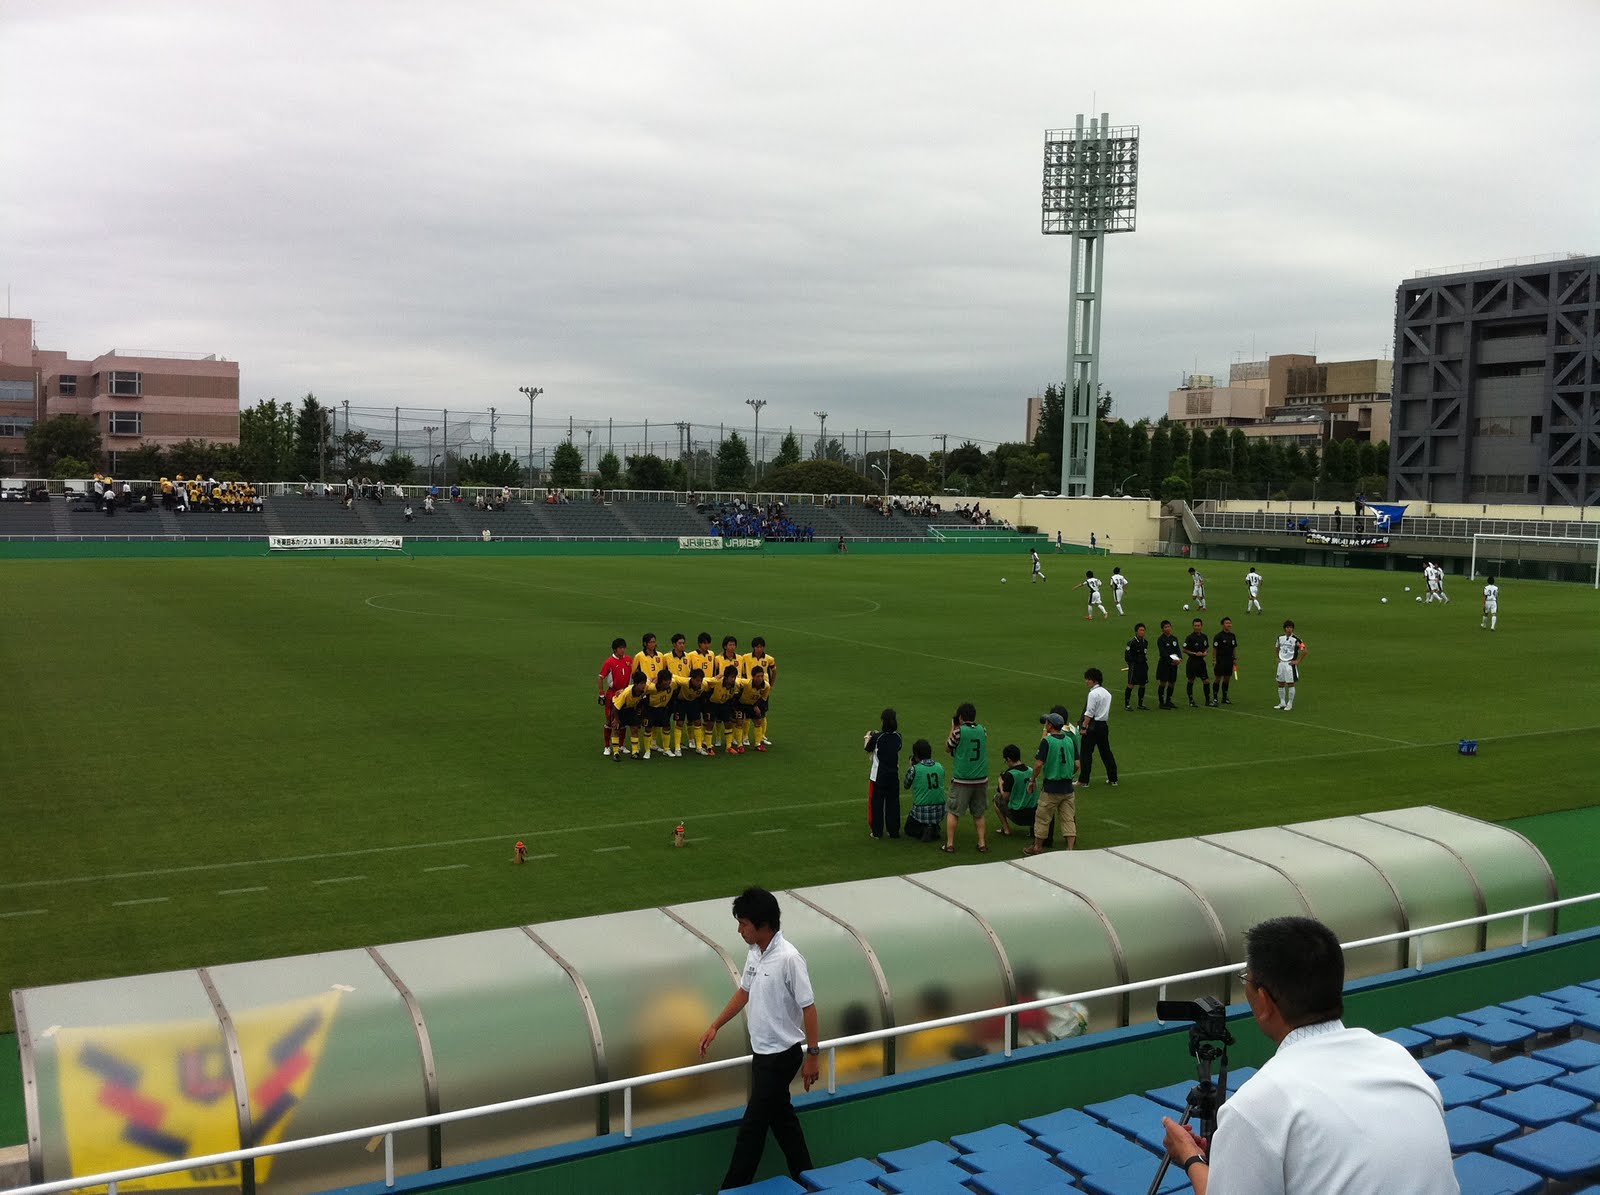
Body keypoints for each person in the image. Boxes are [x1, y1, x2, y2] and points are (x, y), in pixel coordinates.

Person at [1160, 916, 1454, 1195]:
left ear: (1263, 1001)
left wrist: (1190, 1156)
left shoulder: (1254, 1107)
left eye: (1246, 979)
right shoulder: (1400, 1059)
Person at [700, 887, 819, 1190]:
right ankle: (809, 1178)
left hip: (782, 1056)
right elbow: (744, 992)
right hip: (762, 1054)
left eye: (744, 924)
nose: (740, 930)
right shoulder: (755, 953)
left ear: (763, 925)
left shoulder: (790, 959)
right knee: (783, 1122)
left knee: (752, 1129)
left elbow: (809, 1007)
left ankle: (731, 1189)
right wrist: (715, 1026)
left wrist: (813, 1056)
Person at [1025, 713, 1078, 854]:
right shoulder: (1070, 740)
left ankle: (1037, 847)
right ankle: (1070, 849)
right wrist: (1068, 773)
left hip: (1051, 788)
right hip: (1068, 788)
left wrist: (1032, 780)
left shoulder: (1047, 741)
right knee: (1068, 818)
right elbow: (1077, 764)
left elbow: (1038, 764)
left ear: (1050, 725)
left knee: (1042, 818)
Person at [944, 702, 990, 853]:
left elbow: (948, 747)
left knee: (953, 811)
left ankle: (950, 844)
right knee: (979, 813)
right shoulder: (983, 730)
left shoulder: (958, 732)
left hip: (962, 779)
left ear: (960, 717)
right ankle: (982, 843)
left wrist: (953, 727)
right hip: (981, 778)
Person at [865, 709, 903, 839]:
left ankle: (877, 832)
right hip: (893, 775)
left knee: (877, 804)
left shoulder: (877, 737)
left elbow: (868, 748)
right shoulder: (898, 737)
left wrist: (868, 737)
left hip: (879, 776)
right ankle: (893, 831)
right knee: (893, 803)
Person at [1077, 668, 1118, 787]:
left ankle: (1084, 780)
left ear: (1095, 680)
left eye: (1088, 679)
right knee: (1106, 752)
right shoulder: (1107, 693)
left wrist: (1084, 727)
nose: (1086, 681)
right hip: (1103, 725)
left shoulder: (1093, 694)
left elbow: (1089, 713)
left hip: (1092, 726)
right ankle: (1113, 778)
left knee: (1086, 753)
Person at [903, 738, 946, 842]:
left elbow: (906, 785)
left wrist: (911, 766)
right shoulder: (940, 767)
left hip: (921, 811)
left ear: (916, 756)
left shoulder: (914, 769)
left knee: (909, 828)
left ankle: (924, 830)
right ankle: (933, 827)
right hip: (940, 810)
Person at [597, 638, 634, 756]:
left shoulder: (629, 660)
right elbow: (600, 677)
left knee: (623, 720)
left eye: (624, 648)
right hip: (612, 694)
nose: (622, 650)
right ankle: (607, 746)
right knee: (610, 720)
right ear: (615, 649)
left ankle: (621, 745)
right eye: (620, 648)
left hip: (625, 693)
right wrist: (601, 693)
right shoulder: (609, 662)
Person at [992, 743, 1037, 838]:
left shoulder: (1010, 774)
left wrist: (1000, 783)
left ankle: (1006, 829)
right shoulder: (1030, 770)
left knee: (997, 798)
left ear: (1008, 759)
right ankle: (1033, 829)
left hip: (1018, 815)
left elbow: (1005, 797)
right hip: (1034, 814)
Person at [1274, 619, 1307, 712]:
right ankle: (1282, 702)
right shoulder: (1280, 638)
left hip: (1290, 664)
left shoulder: (1296, 640)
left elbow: (1305, 650)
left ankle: (1290, 703)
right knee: (1280, 683)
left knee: (1290, 684)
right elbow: (1277, 647)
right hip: (1281, 663)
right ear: (1285, 628)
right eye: (1288, 627)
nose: (1289, 629)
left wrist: (1298, 661)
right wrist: (1278, 657)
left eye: (1291, 628)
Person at [1183, 618, 1212, 708]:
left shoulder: (1204, 637)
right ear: (1193, 626)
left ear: (1201, 626)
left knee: (1206, 681)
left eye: (1198, 625)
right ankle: (1191, 700)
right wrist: (1195, 653)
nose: (1197, 627)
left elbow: (1206, 647)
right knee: (1191, 680)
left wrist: (1205, 652)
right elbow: (1184, 650)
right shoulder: (1190, 637)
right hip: (1192, 662)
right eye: (1195, 626)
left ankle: (1207, 701)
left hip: (1201, 662)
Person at [1123, 622, 1151, 711]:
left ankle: (1140, 704)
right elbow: (1127, 656)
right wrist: (1134, 661)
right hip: (1134, 666)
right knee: (1131, 684)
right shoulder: (1131, 642)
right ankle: (1127, 704)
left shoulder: (1145, 642)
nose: (1142, 632)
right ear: (1136, 631)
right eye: (1140, 630)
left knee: (1142, 684)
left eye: (1143, 630)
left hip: (1143, 666)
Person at [1155, 620, 1181, 710]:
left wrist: (1179, 658)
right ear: (1162, 629)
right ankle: (1161, 703)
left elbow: (1177, 650)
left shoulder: (1174, 638)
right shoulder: (1161, 639)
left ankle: (1168, 701)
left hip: (1174, 665)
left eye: (1169, 626)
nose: (1168, 628)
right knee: (1163, 683)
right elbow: (1163, 653)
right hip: (1164, 664)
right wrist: (1172, 660)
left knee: (1172, 683)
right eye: (1165, 627)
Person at [1212, 617, 1238, 706]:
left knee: (1227, 678)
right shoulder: (1218, 636)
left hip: (1229, 660)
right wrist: (1214, 660)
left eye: (1230, 623)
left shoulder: (1232, 636)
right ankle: (1215, 698)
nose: (1229, 625)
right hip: (1220, 660)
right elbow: (1215, 649)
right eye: (1227, 623)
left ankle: (1224, 697)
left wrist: (1235, 658)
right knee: (1218, 678)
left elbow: (1234, 648)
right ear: (1223, 625)